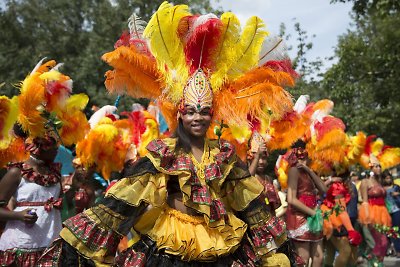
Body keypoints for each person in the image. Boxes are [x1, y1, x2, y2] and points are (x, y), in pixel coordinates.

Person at [0, 133, 63, 266]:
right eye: (54, 148)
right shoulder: (17, 173)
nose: (57, 151)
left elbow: (62, 204)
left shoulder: (55, 173)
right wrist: (18, 215)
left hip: (51, 244)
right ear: (41, 147)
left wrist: (75, 187)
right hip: (23, 245)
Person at [286, 140, 327, 267]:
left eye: (304, 156)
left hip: (314, 217)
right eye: (299, 156)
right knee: (303, 259)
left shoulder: (309, 172)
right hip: (300, 217)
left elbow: (324, 190)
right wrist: (312, 212)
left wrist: (308, 170)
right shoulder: (293, 171)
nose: (302, 159)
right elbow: (291, 199)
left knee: (318, 258)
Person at [359, 155, 392, 264]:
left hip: (383, 215)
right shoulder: (365, 182)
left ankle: (378, 263)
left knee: (384, 242)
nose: (379, 168)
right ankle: (374, 263)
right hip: (372, 214)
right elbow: (364, 201)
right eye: (376, 166)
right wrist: (367, 217)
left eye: (379, 166)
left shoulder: (380, 182)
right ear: (371, 168)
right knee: (376, 243)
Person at [382, 170, 400, 258]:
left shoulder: (396, 187)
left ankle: (398, 250)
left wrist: (397, 194)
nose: (388, 180)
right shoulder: (381, 188)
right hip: (386, 213)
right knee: (389, 231)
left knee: (397, 230)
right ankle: (392, 249)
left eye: (389, 178)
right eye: (386, 178)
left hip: (396, 210)